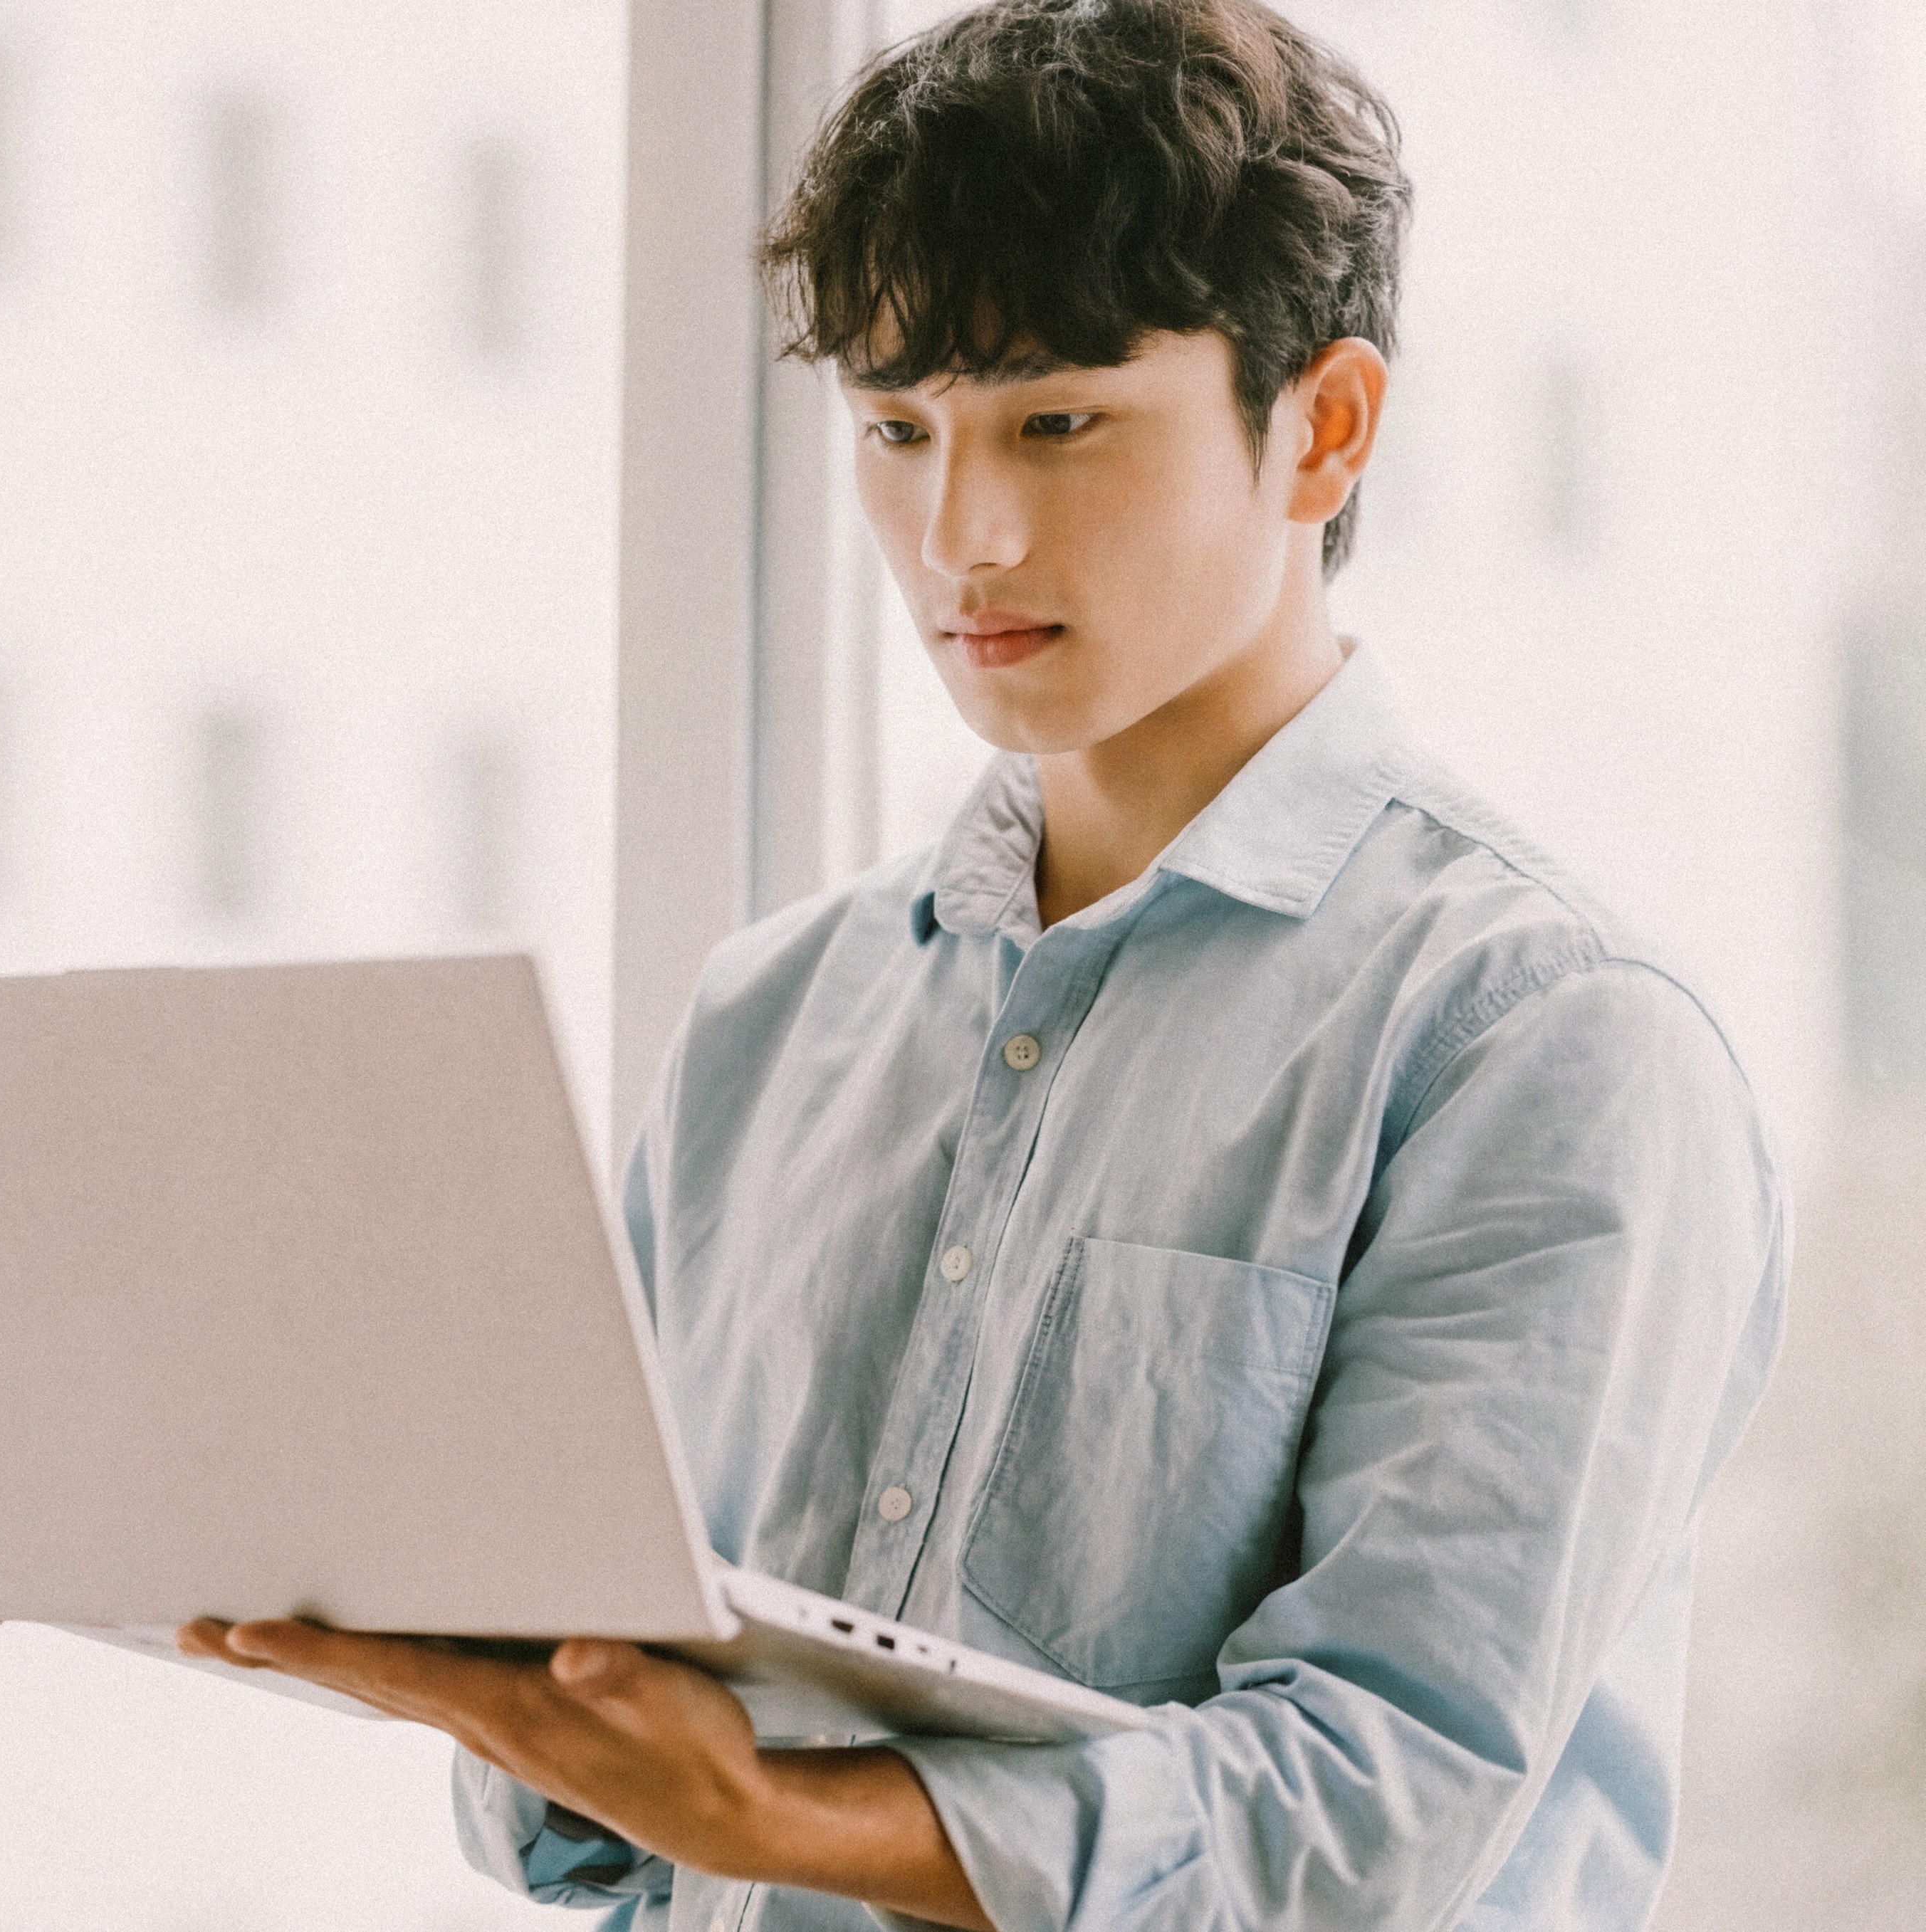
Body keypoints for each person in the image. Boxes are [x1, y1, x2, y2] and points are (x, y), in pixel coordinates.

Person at [182, 2, 1788, 1926]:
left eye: (1057, 423)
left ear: (1325, 426)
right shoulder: (770, 1021)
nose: (960, 533)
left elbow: (1375, 1815)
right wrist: (503, 1686)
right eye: (896, 429)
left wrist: (781, 1816)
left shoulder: (1548, 1045)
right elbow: (611, 1828)